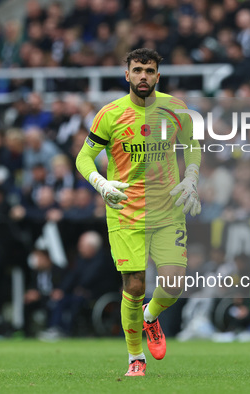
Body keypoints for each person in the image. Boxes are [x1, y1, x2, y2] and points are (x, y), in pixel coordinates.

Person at [75, 48, 201, 377]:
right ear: (127, 74)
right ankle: (135, 357)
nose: (143, 75)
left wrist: (191, 176)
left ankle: (150, 316)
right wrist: (101, 183)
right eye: (137, 70)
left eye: (149, 70)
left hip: (167, 210)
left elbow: (192, 144)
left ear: (158, 76)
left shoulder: (175, 109)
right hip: (125, 210)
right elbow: (83, 158)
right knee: (134, 285)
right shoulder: (110, 114)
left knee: (173, 284)